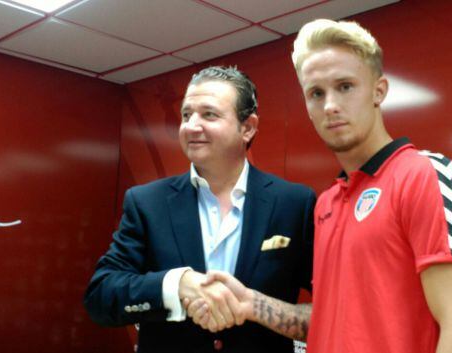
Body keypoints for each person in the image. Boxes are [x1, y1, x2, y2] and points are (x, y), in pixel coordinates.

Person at [188, 19, 452, 353]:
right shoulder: (327, 203)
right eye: (316, 93)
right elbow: (332, 322)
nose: (330, 104)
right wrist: (250, 303)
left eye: (345, 86)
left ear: (379, 90)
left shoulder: (426, 175)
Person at [83, 66, 316, 353]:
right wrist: (177, 284)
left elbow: (336, 305)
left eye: (209, 114)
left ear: (248, 127)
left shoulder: (294, 203)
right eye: (186, 114)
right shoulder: (147, 202)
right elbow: (101, 296)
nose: (191, 126)